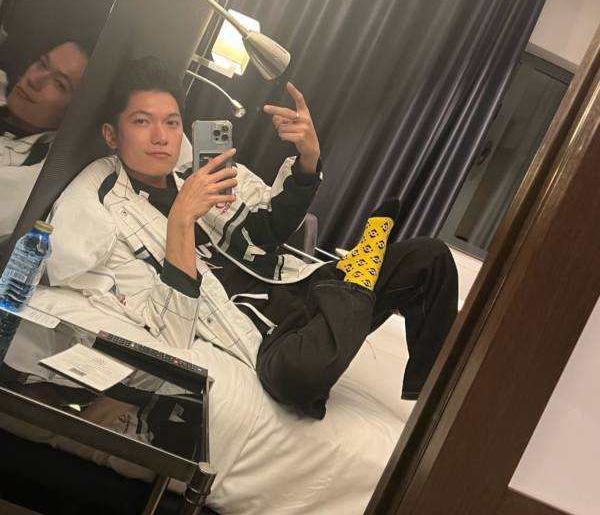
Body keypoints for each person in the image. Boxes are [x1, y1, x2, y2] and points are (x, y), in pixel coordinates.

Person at [46, 56, 458, 419]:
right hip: (269, 329)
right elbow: (171, 331)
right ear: (111, 135)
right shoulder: (111, 220)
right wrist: (181, 220)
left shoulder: (201, 172)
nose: (161, 136)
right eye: (141, 121)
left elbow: (268, 229)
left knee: (431, 257)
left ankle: (427, 402)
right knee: (297, 379)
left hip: (297, 285)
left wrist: (308, 158)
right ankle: (358, 278)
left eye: (171, 122)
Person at [0, 41, 89, 239]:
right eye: (42, 64)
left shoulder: (32, 180)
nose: (34, 80)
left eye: (59, 84)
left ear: (75, 112)